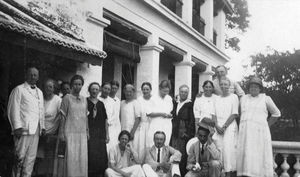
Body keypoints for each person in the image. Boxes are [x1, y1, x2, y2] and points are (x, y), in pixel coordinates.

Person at [237, 77, 281, 177]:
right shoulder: (243, 99)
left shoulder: (266, 99)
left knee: (258, 155)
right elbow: (239, 113)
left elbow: (276, 113)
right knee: (247, 155)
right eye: (251, 86)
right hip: (245, 133)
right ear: (248, 88)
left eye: (256, 86)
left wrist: (266, 125)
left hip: (260, 134)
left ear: (260, 88)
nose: (253, 88)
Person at [7, 66, 45, 177]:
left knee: (30, 159)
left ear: (38, 77)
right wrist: (16, 127)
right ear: (26, 75)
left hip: (36, 131)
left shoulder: (40, 92)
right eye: (31, 74)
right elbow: (13, 108)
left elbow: (41, 111)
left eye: (35, 75)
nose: (33, 77)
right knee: (19, 157)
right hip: (23, 129)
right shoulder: (19, 89)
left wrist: (42, 126)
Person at [59, 75, 88, 177]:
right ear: (72, 85)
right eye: (75, 84)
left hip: (82, 133)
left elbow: (86, 117)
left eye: (79, 84)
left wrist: (87, 131)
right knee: (71, 158)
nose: (77, 86)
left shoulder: (84, 99)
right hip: (70, 132)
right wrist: (62, 133)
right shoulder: (67, 98)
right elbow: (62, 117)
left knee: (81, 158)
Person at [213, 78, 239, 177]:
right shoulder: (217, 98)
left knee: (228, 152)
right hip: (218, 127)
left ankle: (228, 174)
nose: (223, 86)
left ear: (229, 86)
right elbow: (213, 114)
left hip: (229, 127)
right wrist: (216, 126)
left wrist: (224, 127)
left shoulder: (234, 97)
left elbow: (234, 114)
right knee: (219, 151)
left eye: (225, 84)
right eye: (221, 84)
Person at [38, 79, 61, 176]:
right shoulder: (40, 98)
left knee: (49, 158)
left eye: (50, 87)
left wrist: (55, 130)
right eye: (46, 86)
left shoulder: (58, 100)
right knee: (38, 157)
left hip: (51, 133)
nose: (48, 89)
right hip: (39, 132)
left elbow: (61, 116)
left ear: (54, 88)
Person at [171, 85, 195, 176]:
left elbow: (192, 120)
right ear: (179, 92)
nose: (183, 93)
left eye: (185, 92)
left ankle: (182, 173)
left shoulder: (190, 104)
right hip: (175, 132)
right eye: (182, 91)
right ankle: (175, 173)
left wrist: (187, 133)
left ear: (188, 93)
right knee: (174, 152)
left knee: (182, 154)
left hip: (183, 132)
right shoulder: (176, 103)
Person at [87, 82, 109, 177]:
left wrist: (107, 134)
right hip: (89, 133)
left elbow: (105, 120)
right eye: (93, 89)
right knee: (90, 154)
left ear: (99, 91)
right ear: (89, 90)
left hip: (100, 134)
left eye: (96, 89)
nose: (94, 91)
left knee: (100, 156)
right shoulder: (85, 101)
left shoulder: (101, 104)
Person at [148, 80, 173, 146]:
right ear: (160, 89)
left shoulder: (169, 98)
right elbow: (149, 114)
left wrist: (169, 115)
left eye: (167, 91)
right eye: (164, 91)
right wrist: (161, 114)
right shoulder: (153, 98)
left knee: (166, 143)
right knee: (153, 144)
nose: (165, 93)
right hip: (156, 124)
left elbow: (170, 111)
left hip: (167, 125)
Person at [135, 82, 155, 162]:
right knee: (141, 146)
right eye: (143, 89)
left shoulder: (154, 100)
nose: (145, 91)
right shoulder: (139, 100)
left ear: (150, 90)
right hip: (142, 125)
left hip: (152, 125)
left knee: (150, 145)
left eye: (147, 89)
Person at [99, 82, 121, 151]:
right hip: (99, 127)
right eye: (105, 88)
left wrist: (108, 122)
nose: (106, 91)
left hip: (110, 127)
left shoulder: (112, 101)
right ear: (101, 88)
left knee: (110, 146)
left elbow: (115, 115)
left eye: (108, 89)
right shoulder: (97, 99)